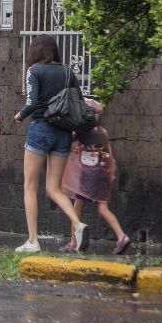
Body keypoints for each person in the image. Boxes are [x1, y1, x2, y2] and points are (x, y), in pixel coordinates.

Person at [14, 34, 91, 253]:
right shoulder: (68, 71)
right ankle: (77, 223)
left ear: (35, 51)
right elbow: (80, 103)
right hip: (64, 133)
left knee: (30, 186)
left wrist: (19, 116)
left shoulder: (34, 70)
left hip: (41, 128)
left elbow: (32, 103)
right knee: (54, 188)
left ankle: (33, 241)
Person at [60, 99, 131, 255]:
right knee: (103, 208)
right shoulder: (102, 132)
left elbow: (68, 140)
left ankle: (74, 242)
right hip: (102, 174)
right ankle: (122, 236)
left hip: (86, 176)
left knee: (76, 208)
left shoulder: (82, 132)